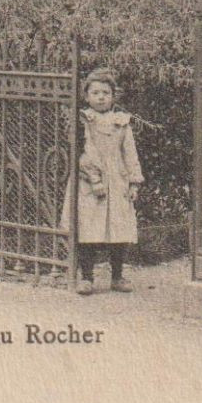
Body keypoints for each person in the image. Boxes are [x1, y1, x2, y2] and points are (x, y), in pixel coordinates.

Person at [65, 67, 143, 294]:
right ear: (87, 96)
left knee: (118, 230)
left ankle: (117, 276)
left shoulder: (121, 122)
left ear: (113, 96)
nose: (101, 97)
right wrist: (94, 178)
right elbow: (82, 152)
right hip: (88, 182)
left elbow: (130, 152)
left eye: (105, 93)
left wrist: (133, 182)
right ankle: (86, 277)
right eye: (96, 93)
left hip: (117, 180)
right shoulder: (83, 120)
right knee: (87, 228)